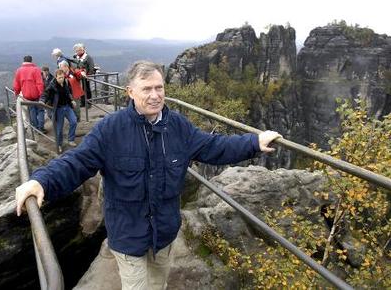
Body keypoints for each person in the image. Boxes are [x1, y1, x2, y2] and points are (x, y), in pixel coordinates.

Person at [16, 60, 282, 290]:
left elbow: (214, 147)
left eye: (159, 88)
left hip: (164, 234)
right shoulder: (111, 130)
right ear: (130, 92)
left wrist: (254, 143)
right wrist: (42, 181)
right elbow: (77, 161)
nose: (155, 95)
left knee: (158, 284)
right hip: (128, 236)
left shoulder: (177, 126)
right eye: (147, 89)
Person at [40, 69, 77, 152]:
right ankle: (59, 144)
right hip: (58, 109)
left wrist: (72, 100)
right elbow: (45, 94)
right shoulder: (52, 86)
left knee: (74, 121)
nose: (61, 79)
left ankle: (71, 139)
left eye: (63, 77)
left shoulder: (65, 83)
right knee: (59, 128)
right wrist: (42, 101)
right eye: (60, 78)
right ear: (56, 77)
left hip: (67, 106)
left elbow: (68, 93)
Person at [13, 55, 45, 133]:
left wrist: (16, 93)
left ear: (23, 61)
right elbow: (39, 83)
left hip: (26, 95)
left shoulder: (19, 71)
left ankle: (36, 128)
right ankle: (41, 128)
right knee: (40, 110)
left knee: (32, 111)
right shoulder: (36, 69)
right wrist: (42, 95)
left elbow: (16, 84)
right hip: (36, 94)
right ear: (31, 61)